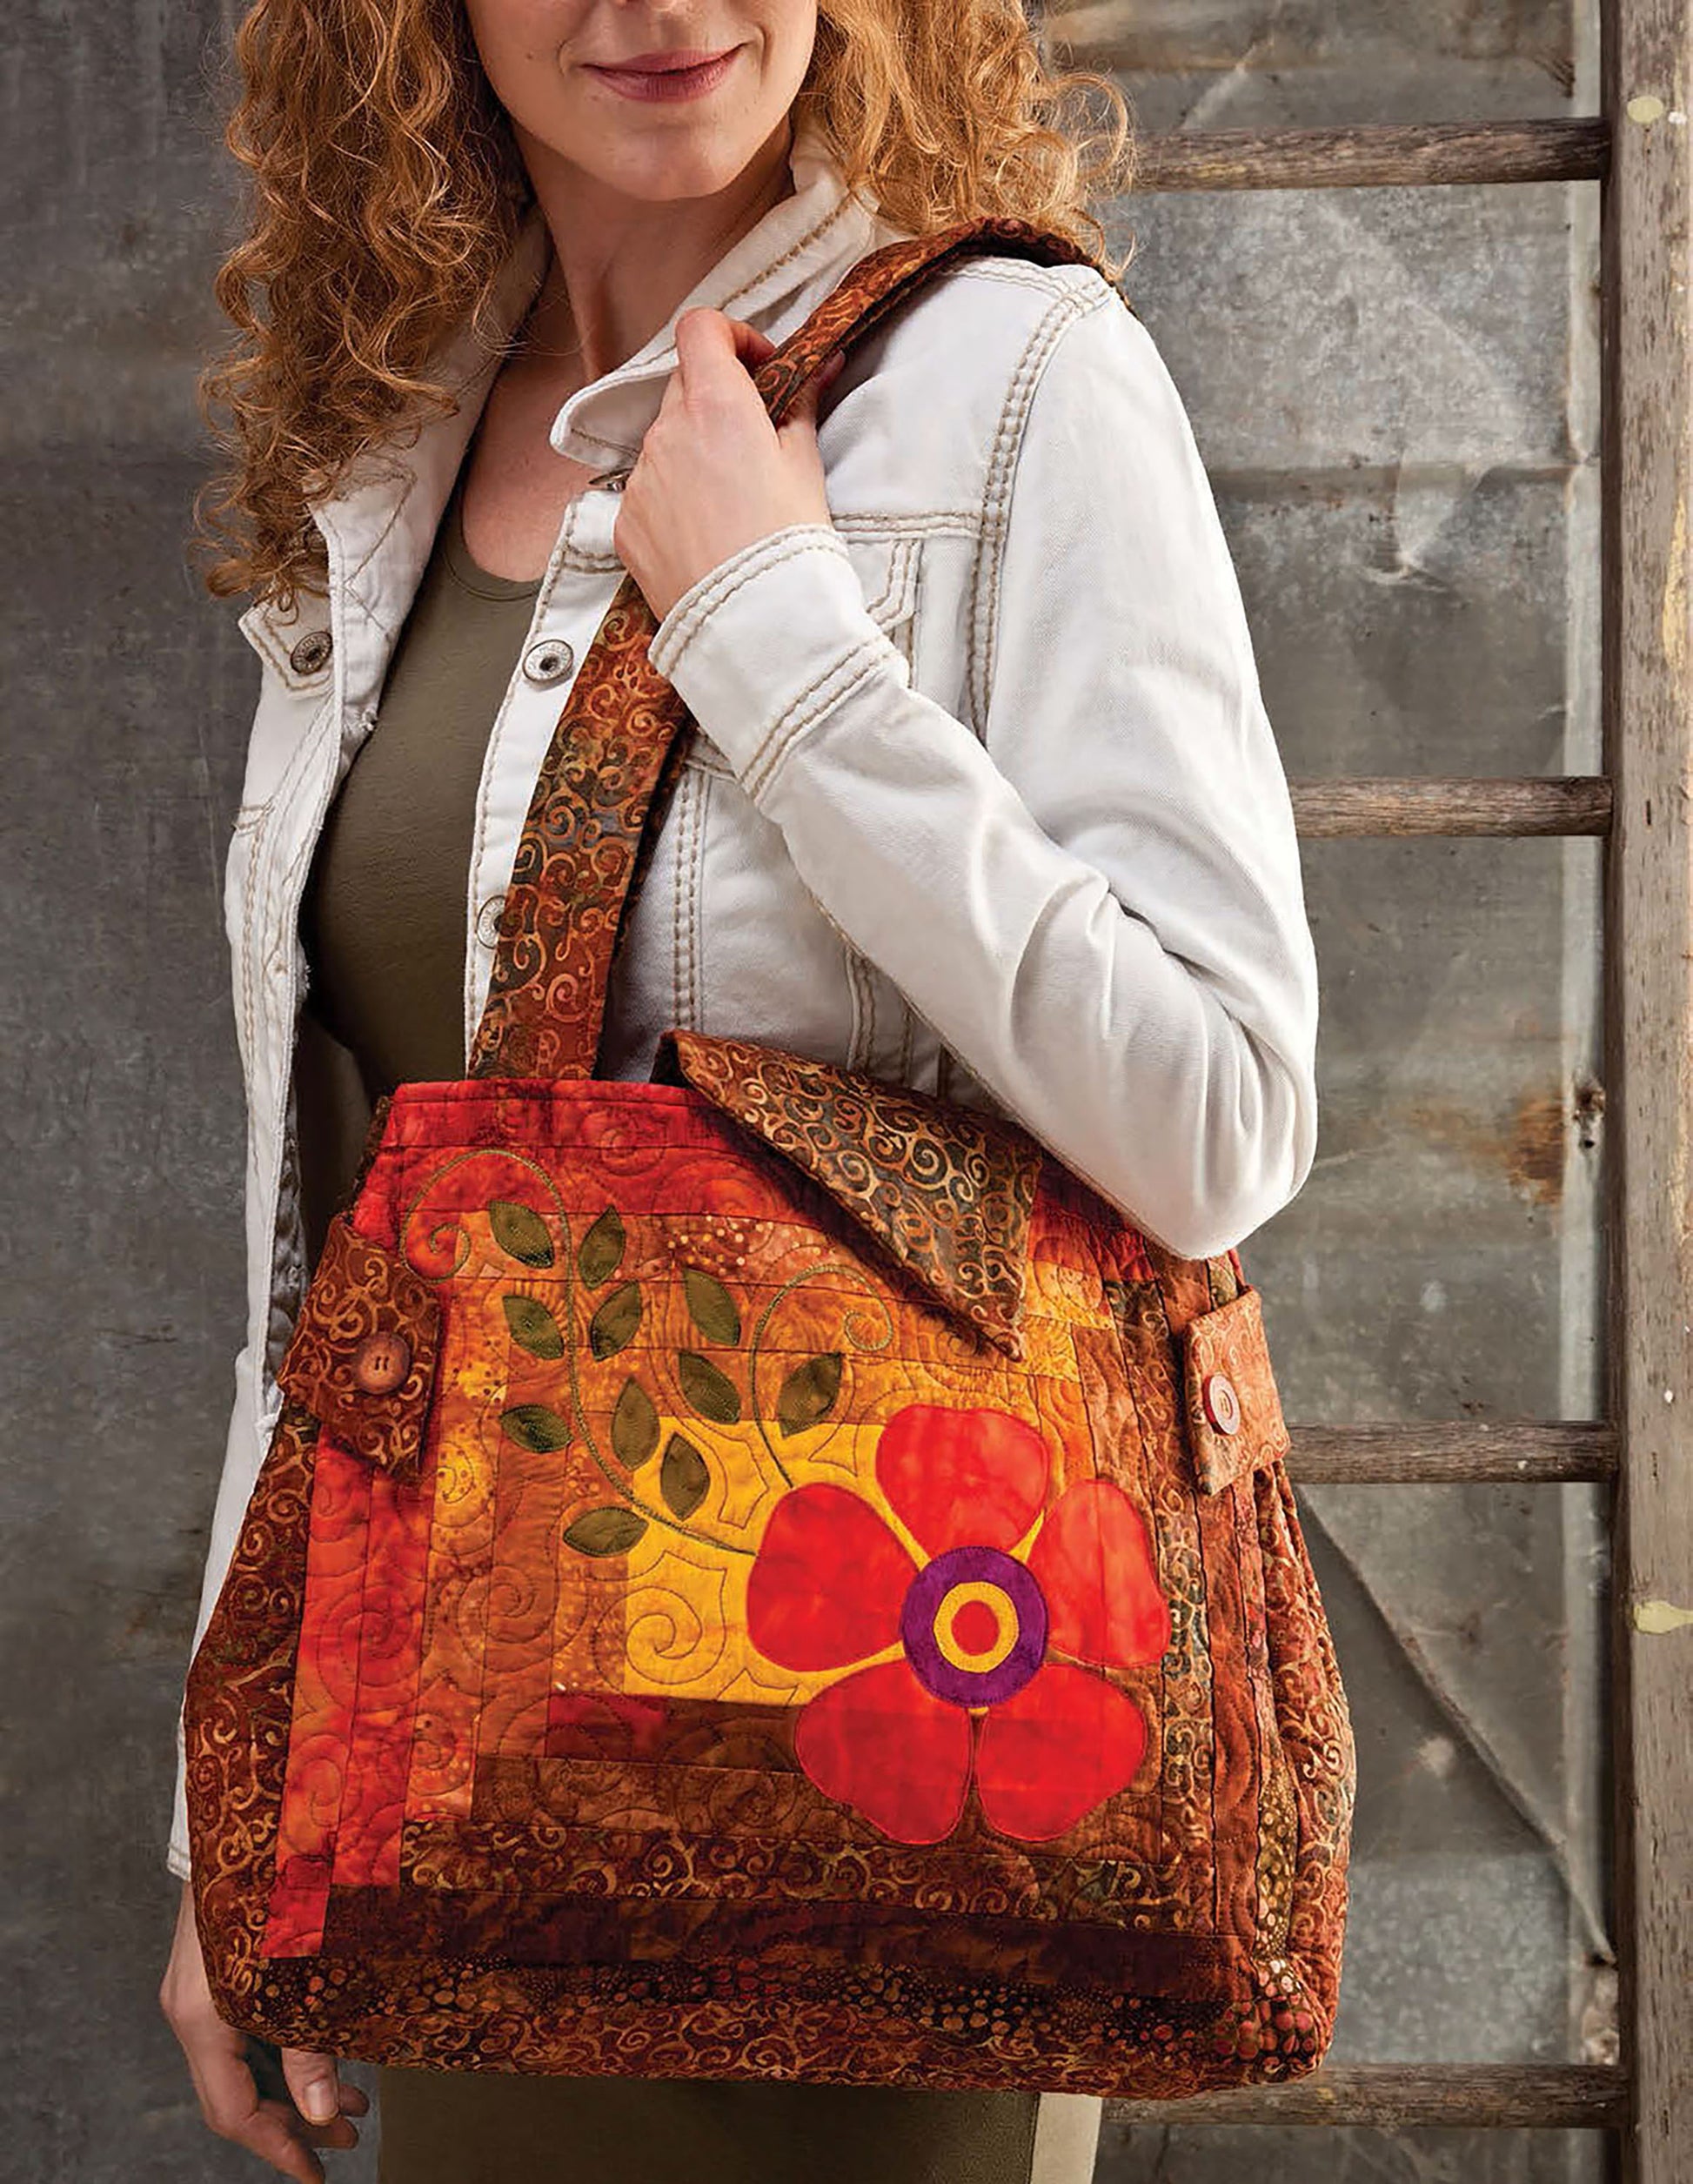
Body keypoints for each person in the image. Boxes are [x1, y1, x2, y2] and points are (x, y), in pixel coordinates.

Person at [157, 1, 1321, 2178]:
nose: (664, 9)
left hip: (901, 1789)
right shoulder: (398, 436)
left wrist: (775, 636)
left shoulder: (1015, 386)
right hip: (477, 1775)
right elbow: (338, 1223)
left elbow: (1219, 1112)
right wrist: (230, 1808)